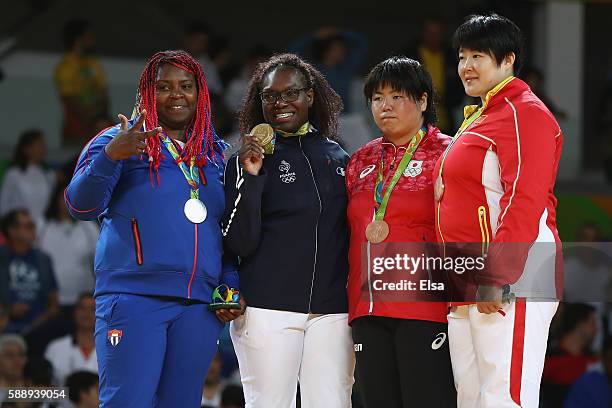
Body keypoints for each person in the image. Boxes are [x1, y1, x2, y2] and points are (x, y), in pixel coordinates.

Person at [64, 50, 242, 407]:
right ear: (147, 93)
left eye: (186, 86)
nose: (177, 95)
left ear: (200, 94)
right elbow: (80, 206)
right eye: (164, 86)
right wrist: (112, 156)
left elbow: (226, 233)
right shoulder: (119, 139)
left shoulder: (214, 156)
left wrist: (230, 285)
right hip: (134, 299)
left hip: (198, 306)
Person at [434, 14, 563, 407]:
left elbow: (524, 199)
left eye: (478, 56)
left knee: (506, 398)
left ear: (507, 60)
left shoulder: (525, 113)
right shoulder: (482, 116)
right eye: (461, 57)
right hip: (467, 277)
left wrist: (498, 273)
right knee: (472, 399)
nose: (466, 67)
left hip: (510, 275)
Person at [222, 53, 354, 407]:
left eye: (290, 93)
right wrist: (252, 178)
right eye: (270, 96)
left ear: (309, 96)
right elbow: (238, 241)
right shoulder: (245, 159)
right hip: (268, 309)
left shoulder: (339, 158)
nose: (280, 103)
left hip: (332, 310)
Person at [345, 56, 455, 407]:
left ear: (423, 101)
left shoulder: (450, 153)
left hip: (423, 306)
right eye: (377, 98)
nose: (385, 106)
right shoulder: (360, 160)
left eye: (397, 96)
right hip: (367, 309)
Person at [39, 183, 97, 311]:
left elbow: (100, 263)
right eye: (64, 196)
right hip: (50, 301)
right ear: (56, 199)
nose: (69, 200)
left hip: (83, 302)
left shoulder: (89, 227)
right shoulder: (42, 226)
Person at [0, 209, 59, 334]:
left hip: (39, 328)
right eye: (28, 226)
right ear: (12, 231)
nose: (34, 229)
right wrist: (8, 312)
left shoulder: (43, 259)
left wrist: (37, 324)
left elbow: (54, 302)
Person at [54, 19, 109, 146]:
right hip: (77, 133)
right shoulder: (65, 67)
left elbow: (103, 93)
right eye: (89, 36)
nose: (93, 40)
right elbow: (70, 101)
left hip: (99, 128)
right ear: (78, 39)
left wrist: (102, 121)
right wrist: (92, 123)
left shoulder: (93, 63)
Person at [291, 27, 368, 112]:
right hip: (320, 115)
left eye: (342, 50)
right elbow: (293, 52)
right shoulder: (312, 69)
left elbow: (362, 44)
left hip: (344, 116)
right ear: (327, 50)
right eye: (337, 49)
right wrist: (314, 36)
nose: (341, 53)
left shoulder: (347, 68)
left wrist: (340, 32)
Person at [542, 303, 600, 406]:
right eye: (592, 323)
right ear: (580, 324)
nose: (597, 328)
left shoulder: (594, 361)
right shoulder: (549, 360)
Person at [0, 129, 55, 224]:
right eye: (40, 145)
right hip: (19, 227)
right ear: (27, 148)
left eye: (43, 145)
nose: (43, 148)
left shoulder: (47, 175)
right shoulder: (14, 174)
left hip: (42, 228)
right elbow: (3, 205)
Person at [44, 293, 97, 385]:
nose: (87, 313)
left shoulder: (113, 349)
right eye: (82, 308)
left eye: (93, 309)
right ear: (75, 312)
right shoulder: (55, 348)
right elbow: (44, 389)